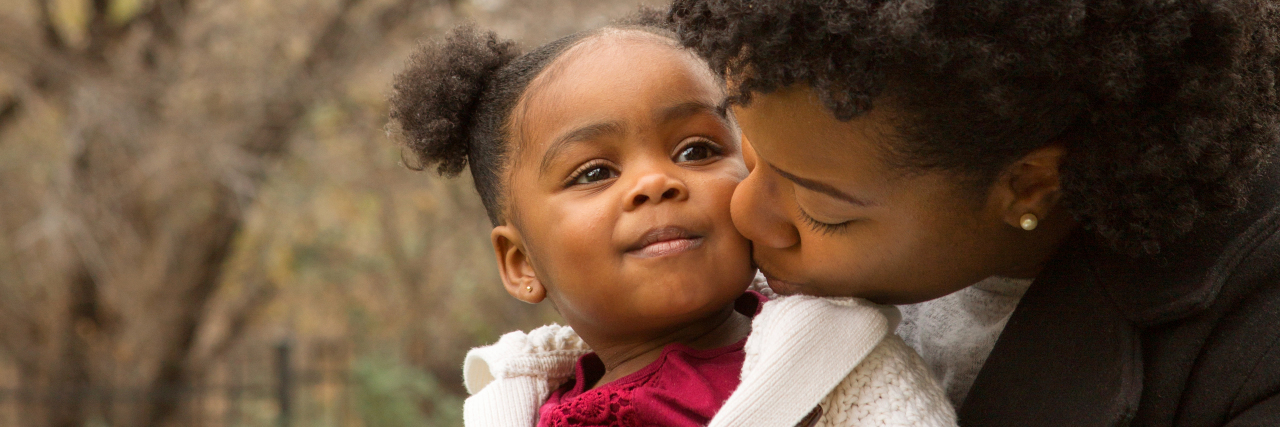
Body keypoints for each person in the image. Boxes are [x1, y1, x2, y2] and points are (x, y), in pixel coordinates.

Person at [669, 0, 1280, 425]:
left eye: (819, 207)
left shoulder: (1249, 358)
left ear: (1028, 186)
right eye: (748, 147)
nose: (745, 214)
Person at [388, 17, 955, 427]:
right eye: (593, 172)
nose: (656, 183)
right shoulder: (522, 402)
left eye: (696, 151)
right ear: (521, 263)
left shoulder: (835, 361)